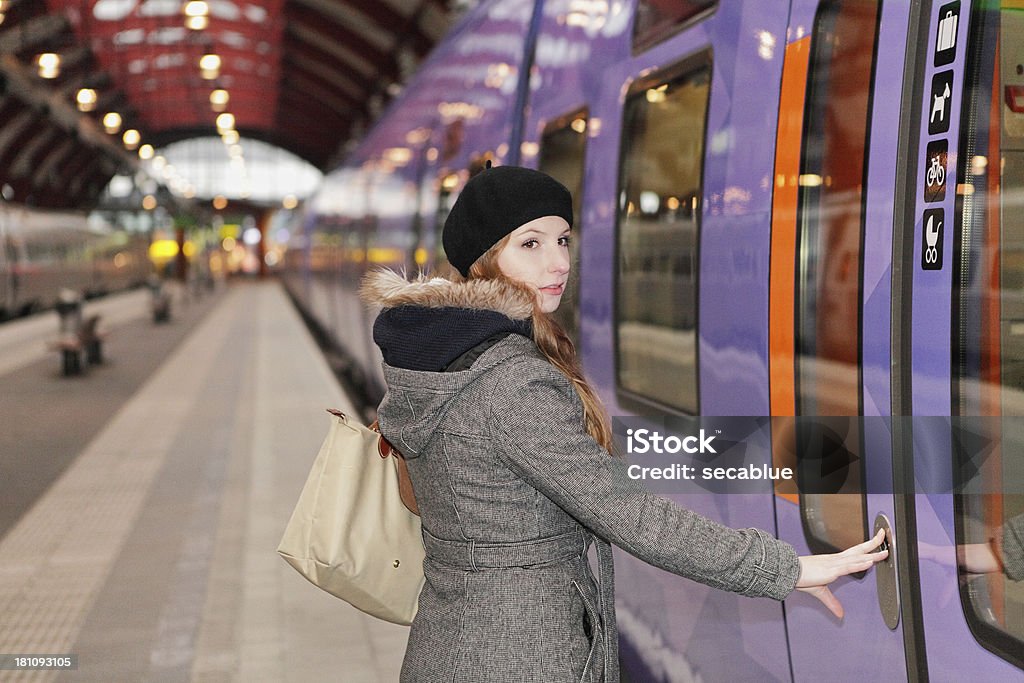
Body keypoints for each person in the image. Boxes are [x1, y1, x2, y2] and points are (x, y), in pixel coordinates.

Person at [361, 165, 888, 682]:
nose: (558, 262)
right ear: (483, 260)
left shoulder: (442, 359)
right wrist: (783, 568)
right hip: (519, 654)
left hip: (453, 641)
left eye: (563, 240)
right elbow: (627, 513)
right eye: (530, 244)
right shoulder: (511, 382)